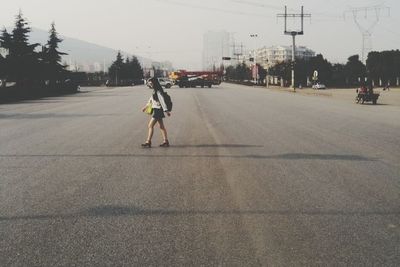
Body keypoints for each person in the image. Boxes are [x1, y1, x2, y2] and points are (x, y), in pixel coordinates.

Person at [141, 77, 171, 148]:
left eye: (151, 83)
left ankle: (148, 142)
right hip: (156, 109)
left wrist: (166, 111)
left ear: (154, 83)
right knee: (161, 127)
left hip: (158, 110)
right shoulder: (154, 91)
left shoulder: (158, 91)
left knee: (150, 125)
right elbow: (151, 100)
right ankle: (165, 141)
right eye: (149, 83)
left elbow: (162, 101)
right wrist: (145, 107)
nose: (150, 84)